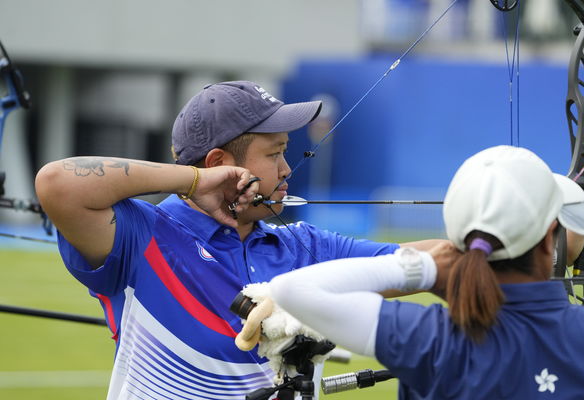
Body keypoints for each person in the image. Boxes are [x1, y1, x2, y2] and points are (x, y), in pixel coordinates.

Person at [35, 80, 446, 400]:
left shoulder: (305, 247)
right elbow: (58, 183)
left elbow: (425, 260)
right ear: (219, 165)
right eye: (274, 154)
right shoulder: (142, 237)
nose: (286, 169)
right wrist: (193, 180)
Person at [269, 145, 584, 399]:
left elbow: (291, 290)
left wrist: (427, 268)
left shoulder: (431, 338)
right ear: (549, 240)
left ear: (459, 240)